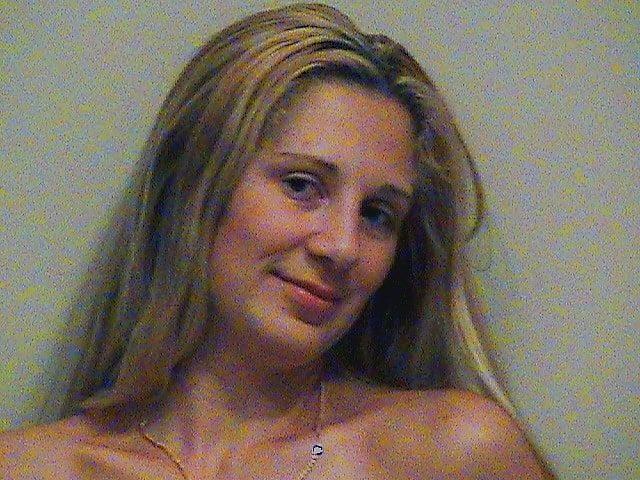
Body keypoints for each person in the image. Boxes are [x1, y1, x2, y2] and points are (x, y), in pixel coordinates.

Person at [1, 3, 556, 478]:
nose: (341, 246)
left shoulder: (452, 453)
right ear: (196, 182)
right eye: (301, 185)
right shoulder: (33, 467)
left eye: (377, 214)